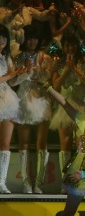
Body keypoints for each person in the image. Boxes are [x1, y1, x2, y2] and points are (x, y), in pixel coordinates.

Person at [14, 25, 54, 194]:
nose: (32, 42)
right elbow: (13, 81)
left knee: (41, 142)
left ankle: (39, 183)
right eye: (30, 38)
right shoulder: (18, 57)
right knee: (23, 142)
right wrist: (26, 72)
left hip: (41, 99)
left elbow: (49, 78)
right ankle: (26, 183)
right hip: (23, 99)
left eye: (35, 38)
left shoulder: (46, 57)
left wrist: (43, 72)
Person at [0, 27, 23, 193]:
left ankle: (1, 182)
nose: (2, 40)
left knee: (6, 143)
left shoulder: (6, 56)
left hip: (7, 99)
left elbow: (13, 81)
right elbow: (8, 76)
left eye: (4, 38)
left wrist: (24, 73)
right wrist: (12, 74)